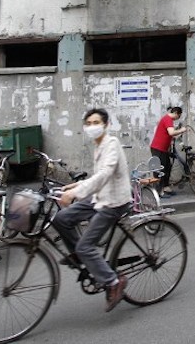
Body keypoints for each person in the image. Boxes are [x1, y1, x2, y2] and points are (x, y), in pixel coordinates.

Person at [54, 108, 132, 312]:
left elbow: (106, 174)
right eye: (88, 123)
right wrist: (76, 186)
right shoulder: (98, 146)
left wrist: (77, 192)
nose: (92, 127)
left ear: (105, 125)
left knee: (85, 246)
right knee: (61, 218)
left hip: (114, 202)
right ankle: (82, 257)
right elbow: (98, 177)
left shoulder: (111, 144)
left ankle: (114, 282)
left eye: (96, 123)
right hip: (99, 197)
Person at [150, 106, 187, 196]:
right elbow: (171, 132)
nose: (178, 118)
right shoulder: (168, 119)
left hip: (163, 149)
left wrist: (179, 133)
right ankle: (159, 192)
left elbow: (171, 135)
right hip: (158, 148)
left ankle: (166, 188)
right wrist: (181, 130)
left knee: (167, 167)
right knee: (160, 169)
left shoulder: (167, 119)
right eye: (179, 116)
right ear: (177, 113)